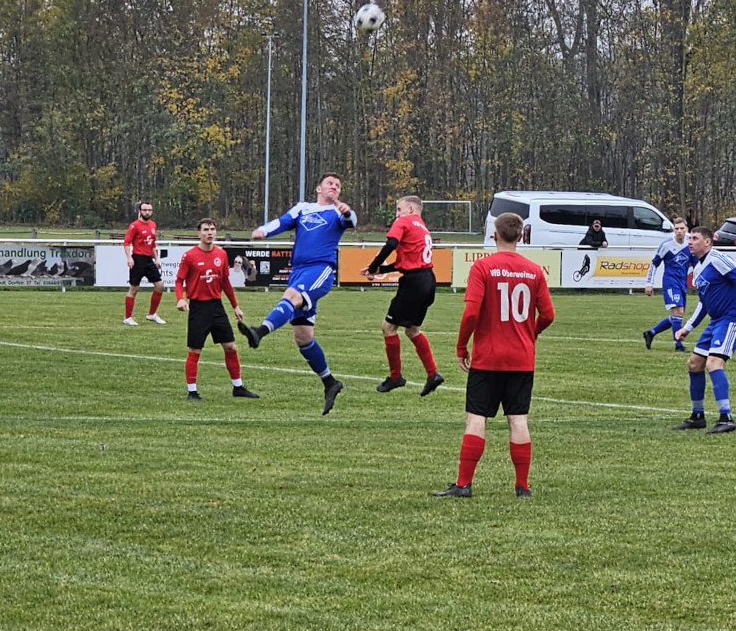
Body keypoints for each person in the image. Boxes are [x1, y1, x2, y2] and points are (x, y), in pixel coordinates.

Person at [433, 212, 555, 498]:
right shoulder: (534, 271)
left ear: (494, 235)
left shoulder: (482, 268)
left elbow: (472, 311)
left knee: (476, 418)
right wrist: (531, 333)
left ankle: (464, 484)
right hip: (522, 358)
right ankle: (522, 486)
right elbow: (548, 314)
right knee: (518, 419)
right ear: (522, 236)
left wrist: (462, 347)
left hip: (488, 357)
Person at [236, 173, 357, 415]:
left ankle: (259, 332)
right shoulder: (304, 208)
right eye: (330, 183)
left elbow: (352, 221)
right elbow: (281, 222)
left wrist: (346, 211)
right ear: (318, 188)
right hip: (299, 270)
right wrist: (262, 231)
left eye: (338, 185)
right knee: (303, 337)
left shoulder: (338, 213)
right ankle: (330, 382)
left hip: (321, 269)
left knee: (291, 296)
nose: (334, 187)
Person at [671, 227, 736, 434]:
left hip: (732, 319)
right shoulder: (698, 267)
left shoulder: (718, 258)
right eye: (689, 238)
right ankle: (697, 416)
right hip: (716, 321)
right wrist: (687, 328)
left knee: (714, 363)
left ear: (707, 242)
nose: (690, 242)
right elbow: (703, 303)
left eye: (695, 238)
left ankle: (726, 417)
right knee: (694, 363)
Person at [360, 195, 445, 396]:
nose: (396, 214)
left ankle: (395, 376)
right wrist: (379, 270)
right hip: (427, 280)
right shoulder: (421, 226)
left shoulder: (404, 221)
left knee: (388, 327)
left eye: (399, 209)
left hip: (414, 283)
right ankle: (433, 374)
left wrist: (373, 267)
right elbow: (403, 262)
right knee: (412, 330)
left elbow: (391, 244)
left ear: (410, 210)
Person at [174, 218, 259, 401]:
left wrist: (235, 306)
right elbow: (179, 280)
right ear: (199, 233)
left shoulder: (221, 254)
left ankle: (238, 387)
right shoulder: (189, 256)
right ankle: (192, 392)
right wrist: (180, 299)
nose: (210, 232)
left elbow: (225, 283)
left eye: (212, 229)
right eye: (206, 229)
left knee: (230, 346)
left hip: (216, 307)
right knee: (195, 350)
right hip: (198, 307)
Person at [643, 217, 690, 352]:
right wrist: (649, 283)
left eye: (682, 228)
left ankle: (651, 333)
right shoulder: (667, 245)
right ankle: (678, 345)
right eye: (677, 229)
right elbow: (654, 264)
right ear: (673, 230)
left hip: (682, 282)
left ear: (686, 229)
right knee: (678, 312)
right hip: (670, 282)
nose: (679, 231)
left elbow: (696, 263)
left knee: (677, 316)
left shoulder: (689, 243)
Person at [122, 200, 166, 326]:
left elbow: (152, 244)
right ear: (140, 211)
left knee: (160, 286)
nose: (147, 212)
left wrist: (156, 258)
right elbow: (126, 243)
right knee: (134, 288)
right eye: (145, 210)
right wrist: (129, 258)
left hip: (148, 260)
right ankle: (128, 317)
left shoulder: (153, 225)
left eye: (149, 210)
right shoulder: (134, 225)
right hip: (138, 259)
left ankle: (152, 314)